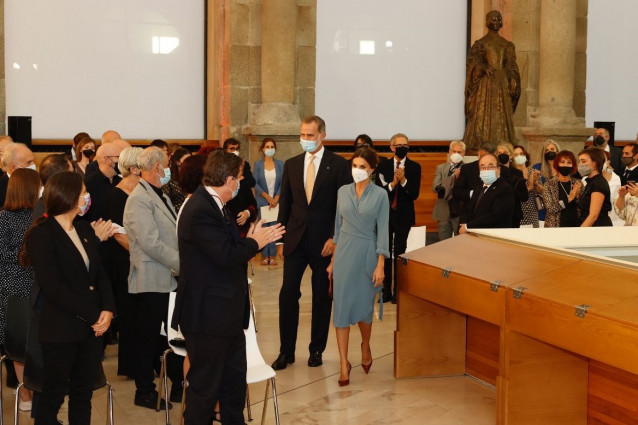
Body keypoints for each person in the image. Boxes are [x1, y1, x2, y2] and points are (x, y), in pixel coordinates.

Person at [171, 150, 284, 425]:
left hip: (226, 315)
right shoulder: (199, 208)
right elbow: (225, 255)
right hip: (208, 316)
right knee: (205, 391)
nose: (242, 183)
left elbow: (230, 249)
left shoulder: (217, 205)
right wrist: (256, 242)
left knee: (233, 387)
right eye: (241, 178)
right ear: (230, 179)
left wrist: (250, 239)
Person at [22, 171, 115, 425]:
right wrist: (94, 314)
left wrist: (108, 309)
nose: (87, 197)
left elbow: (100, 275)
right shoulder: (42, 233)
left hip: (91, 329)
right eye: (84, 192)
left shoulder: (83, 228)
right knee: (53, 396)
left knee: (82, 395)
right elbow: (53, 288)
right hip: (61, 328)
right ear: (70, 195)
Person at [271, 115, 351, 371]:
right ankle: (286, 351)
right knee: (287, 294)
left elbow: (343, 207)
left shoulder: (338, 165)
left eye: (310, 135)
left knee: (321, 297)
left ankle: (316, 350)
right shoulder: (292, 165)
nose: (305, 139)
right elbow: (285, 204)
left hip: (323, 242)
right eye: (302, 134)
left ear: (322, 135)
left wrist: (335, 238)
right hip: (295, 240)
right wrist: (280, 240)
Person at [124, 146, 180, 409]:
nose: (169, 167)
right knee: (147, 337)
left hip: (166, 276)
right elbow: (150, 242)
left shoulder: (160, 193)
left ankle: (178, 385)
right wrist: (181, 263)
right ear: (157, 167)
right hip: (150, 278)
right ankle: (144, 390)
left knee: (170, 336)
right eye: (167, 163)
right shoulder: (138, 199)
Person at [327, 147, 389, 386]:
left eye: (363, 167)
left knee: (364, 309)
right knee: (341, 310)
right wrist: (333, 260)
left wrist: (381, 264)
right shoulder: (342, 192)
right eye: (355, 166)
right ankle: (344, 363)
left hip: (367, 254)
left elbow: (382, 230)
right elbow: (337, 227)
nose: (357, 170)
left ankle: (365, 346)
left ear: (372, 169)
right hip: (344, 254)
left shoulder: (380, 195)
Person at [0, 168, 40, 411]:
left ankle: (38, 391)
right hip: (13, 288)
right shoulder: (3, 218)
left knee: (35, 342)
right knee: (18, 344)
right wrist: (26, 255)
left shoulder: (40, 216)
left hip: (37, 286)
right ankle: (25, 394)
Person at [105, 147, 143, 378]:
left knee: (142, 314)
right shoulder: (117, 195)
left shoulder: (145, 190)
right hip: (125, 260)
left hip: (142, 258)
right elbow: (118, 233)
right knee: (129, 315)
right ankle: (130, 365)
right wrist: (141, 253)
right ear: (134, 168)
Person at [463, 10, 521, 152]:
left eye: (498, 19)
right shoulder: (480, 44)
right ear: (487, 21)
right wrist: (483, 67)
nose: (496, 21)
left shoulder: (507, 45)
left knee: (501, 114)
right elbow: (473, 61)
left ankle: (502, 144)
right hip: (485, 84)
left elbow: (511, 65)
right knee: (482, 114)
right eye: (493, 19)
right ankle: (481, 142)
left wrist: (512, 78)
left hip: (501, 84)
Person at [376, 133, 421, 304]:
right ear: (392, 147)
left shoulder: (415, 167)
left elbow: (414, 194)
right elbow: (379, 192)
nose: (403, 148)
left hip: (404, 216)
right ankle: (385, 290)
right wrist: (393, 183)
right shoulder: (383, 166)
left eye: (406, 145)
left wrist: (403, 181)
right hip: (385, 215)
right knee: (385, 252)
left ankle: (398, 292)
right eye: (399, 145)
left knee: (400, 252)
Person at [459, 153, 515, 232]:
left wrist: (468, 226)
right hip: (474, 235)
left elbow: (496, 216)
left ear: (498, 170)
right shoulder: (479, 187)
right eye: (483, 167)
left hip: (493, 236)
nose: (486, 170)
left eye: (490, 167)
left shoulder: (504, 189)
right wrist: (464, 222)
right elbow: (469, 209)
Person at [253, 138, 284, 265]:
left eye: (272, 147)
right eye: (267, 147)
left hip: (276, 201)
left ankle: (273, 255)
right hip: (263, 201)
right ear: (262, 149)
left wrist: (276, 198)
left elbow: (283, 182)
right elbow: (255, 183)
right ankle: (265, 255)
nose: (270, 149)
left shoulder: (280, 164)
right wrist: (268, 198)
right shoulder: (258, 165)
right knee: (265, 227)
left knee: (275, 227)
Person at [432, 140, 465, 240]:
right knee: (443, 245)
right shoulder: (441, 168)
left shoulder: (468, 168)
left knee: (461, 243)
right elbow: (435, 187)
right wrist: (452, 177)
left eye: (459, 152)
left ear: (464, 153)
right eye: (454, 151)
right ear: (449, 152)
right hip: (443, 210)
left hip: (460, 211)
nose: (456, 154)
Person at [84, 143, 124, 223]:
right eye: (119, 157)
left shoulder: (122, 182)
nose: (123, 161)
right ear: (107, 160)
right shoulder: (87, 185)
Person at [540, 150, 581, 228]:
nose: (566, 165)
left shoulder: (578, 183)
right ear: (557, 164)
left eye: (569, 162)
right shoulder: (549, 185)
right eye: (562, 162)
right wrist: (569, 198)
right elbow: (550, 209)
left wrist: (578, 197)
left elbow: (583, 207)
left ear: (573, 165)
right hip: (555, 227)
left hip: (575, 226)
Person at [496, 142, 529, 228]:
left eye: (505, 153)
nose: (502, 155)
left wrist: (511, 192)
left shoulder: (517, 173)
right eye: (499, 153)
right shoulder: (494, 172)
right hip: (497, 214)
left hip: (514, 215)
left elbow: (525, 196)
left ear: (511, 156)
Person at [577, 147, 612, 227]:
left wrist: (579, 233)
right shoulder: (590, 182)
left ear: (595, 163)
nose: (580, 164)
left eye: (583, 161)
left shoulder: (598, 183)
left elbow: (593, 216)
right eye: (579, 161)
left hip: (596, 229)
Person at [33, 154, 74, 220]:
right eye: (71, 173)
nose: (75, 177)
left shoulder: (63, 201)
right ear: (60, 180)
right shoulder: (44, 212)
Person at [532, 139, 560, 222]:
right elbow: (537, 190)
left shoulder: (563, 168)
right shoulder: (537, 168)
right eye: (547, 150)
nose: (549, 152)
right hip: (542, 210)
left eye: (552, 149)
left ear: (557, 151)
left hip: (560, 210)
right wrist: (536, 183)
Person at [512, 145, 540, 228]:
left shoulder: (534, 171)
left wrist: (535, 183)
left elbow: (541, 191)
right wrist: (529, 186)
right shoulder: (512, 174)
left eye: (521, 154)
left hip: (532, 213)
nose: (519, 156)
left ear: (526, 156)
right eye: (516, 155)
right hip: (518, 214)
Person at [162, 147, 191, 213]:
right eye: (186, 160)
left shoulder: (192, 178)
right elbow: (166, 204)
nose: (189, 163)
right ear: (178, 162)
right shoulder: (169, 181)